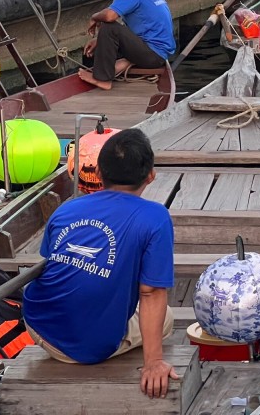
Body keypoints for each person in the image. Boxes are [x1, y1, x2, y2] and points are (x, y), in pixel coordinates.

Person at [23, 129, 176, 397]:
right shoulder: (155, 217)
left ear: (100, 174)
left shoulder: (67, 208)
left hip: (36, 322)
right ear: (150, 175)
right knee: (167, 320)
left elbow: (52, 261)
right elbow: (150, 292)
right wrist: (153, 364)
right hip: (84, 348)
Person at [76, 0, 175, 90]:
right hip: (159, 52)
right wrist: (100, 40)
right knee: (110, 31)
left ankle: (103, 79)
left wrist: (94, 17)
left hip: (154, 54)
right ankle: (122, 63)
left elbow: (109, 16)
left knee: (108, 26)